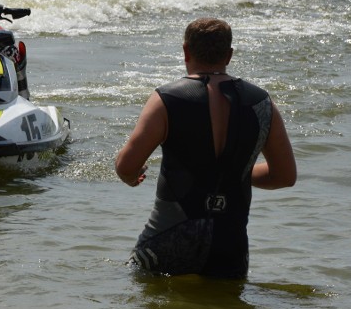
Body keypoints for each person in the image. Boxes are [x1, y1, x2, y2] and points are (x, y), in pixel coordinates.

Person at [115, 17, 297, 278]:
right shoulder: (262, 103)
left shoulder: (167, 98)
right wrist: (239, 173)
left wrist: (132, 176)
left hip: (169, 236)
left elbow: (126, 166)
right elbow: (284, 176)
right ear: (229, 55)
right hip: (230, 243)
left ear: (186, 51)